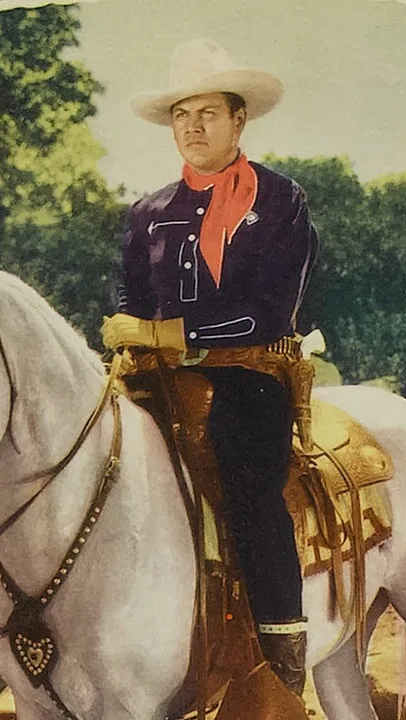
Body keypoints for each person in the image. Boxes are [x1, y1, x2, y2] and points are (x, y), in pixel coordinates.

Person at [100, 38, 319, 697]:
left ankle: (279, 652)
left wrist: (167, 332)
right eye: (181, 115)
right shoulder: (148, 212)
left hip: (247, 374)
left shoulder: (279, 201)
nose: (193, 128)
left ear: (238, 119)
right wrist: (126, 327)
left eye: (208, 114)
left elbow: (270, 313)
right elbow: (131, 293)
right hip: (158, 378)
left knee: (248, 480)